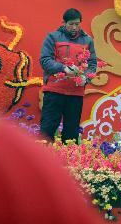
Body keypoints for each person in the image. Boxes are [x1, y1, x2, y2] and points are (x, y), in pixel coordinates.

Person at [39, 8, 97, 142]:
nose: (74, 27)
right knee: (47, 129)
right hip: (54, 91)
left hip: (75, 93)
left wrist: (86, 77)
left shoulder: (87, 41)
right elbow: (45, 60)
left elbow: (92, 64)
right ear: (64, 23)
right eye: (71, 24)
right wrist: (64, 68)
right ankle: (42, 160)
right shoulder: (53, 37)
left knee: (71, 132)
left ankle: (68, 161)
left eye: (77, 24)